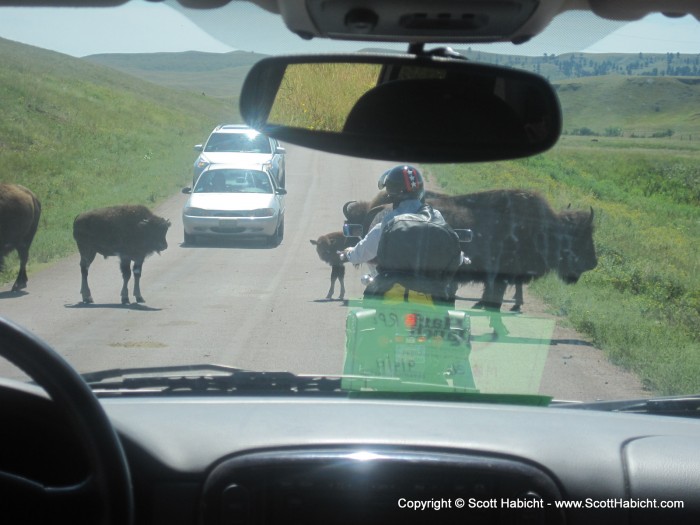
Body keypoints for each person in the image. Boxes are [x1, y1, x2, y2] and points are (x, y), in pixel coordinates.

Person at [340, 165, 464, 306]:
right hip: (433, 293)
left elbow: (364, 251)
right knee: (447, 308)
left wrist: (350, 254)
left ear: (392, 193)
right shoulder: (436, 217)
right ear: (420, 189)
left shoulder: (390, 221)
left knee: (369, 310)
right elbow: (455, 256)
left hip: (392, 290)